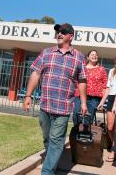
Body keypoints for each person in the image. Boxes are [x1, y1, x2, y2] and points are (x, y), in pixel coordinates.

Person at [23, 23, 88, 175]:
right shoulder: (46, 53)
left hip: (63, 107)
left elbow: (83, 80)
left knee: (57, 139)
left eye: (63, 32)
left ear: (70, 36)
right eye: (58, 32)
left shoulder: (79, 57)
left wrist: (84, 103)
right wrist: (28, 95)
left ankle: (47, 171)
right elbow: (35, 74)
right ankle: (51, 158)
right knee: (47, 138)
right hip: (45, 105)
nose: (59, 34)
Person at [73, 50, 107, 124]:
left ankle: (85, 134)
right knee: (76, 117)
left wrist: (102, 102)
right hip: (79, 97)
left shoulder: (102, 69)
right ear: (88, 57)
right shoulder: (82, 68)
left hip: (94, 99)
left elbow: (105, 86)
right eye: (92, 54)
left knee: (88, 120)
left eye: (96, 55)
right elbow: (76, 81)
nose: (94, 56)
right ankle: (76, 133)